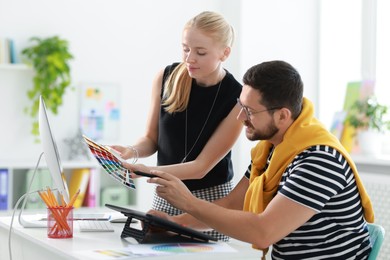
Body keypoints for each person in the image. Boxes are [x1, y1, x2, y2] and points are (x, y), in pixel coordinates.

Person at [145, 60, 375, 259]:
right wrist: (175, 223)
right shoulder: (272, 151)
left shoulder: (318, 161)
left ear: (283, 115)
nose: (240, 116)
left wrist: (188, 201)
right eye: (241, 106)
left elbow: (263, 232)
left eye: (250, 111)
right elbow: (233, 204)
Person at [113, 11, 243, 241]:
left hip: (209, 200)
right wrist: (131, 151)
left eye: (200, 52)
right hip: (165, 193)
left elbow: (201, 167)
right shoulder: (166, 77)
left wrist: (145, 171)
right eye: (185, 48)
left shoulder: (238, 98)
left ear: (225, 53)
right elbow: (151, 139)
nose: (189, 58)